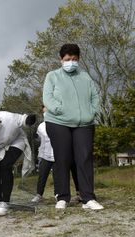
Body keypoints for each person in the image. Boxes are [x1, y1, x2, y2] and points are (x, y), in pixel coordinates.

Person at [43, 43, 103, 210]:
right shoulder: (52, 76)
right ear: (61, 59)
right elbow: (47, 98)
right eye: (67, 59)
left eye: (74, 59)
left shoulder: (85, 77)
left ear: (79, 59)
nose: (71, 62)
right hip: (58, 122)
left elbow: (95, 97)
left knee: (84, 158)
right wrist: (60, 110)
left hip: (84, 122)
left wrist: (92, 112)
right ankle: (62, 197)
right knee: (63, 158)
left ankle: (88, 198)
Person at [31, 107, 80, 203]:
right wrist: (39, 154)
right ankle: (39, 195)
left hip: (59, 154)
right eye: (44, 110)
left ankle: (58, 195)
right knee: (42, 175)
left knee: (57, 175)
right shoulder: (41, 126)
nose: (46, 112)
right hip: (45, 155)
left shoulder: (60, 124)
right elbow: (41, 142)